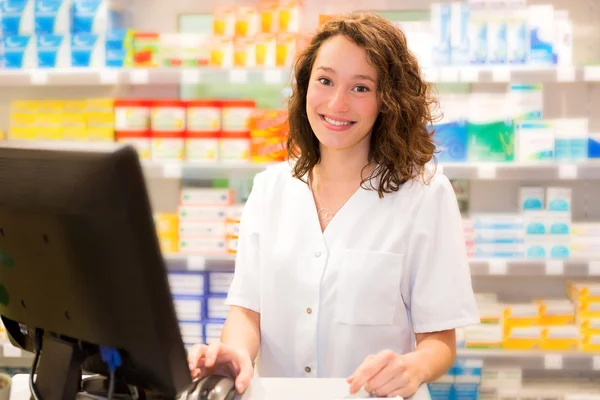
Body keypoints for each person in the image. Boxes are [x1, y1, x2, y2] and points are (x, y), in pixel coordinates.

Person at [188, 12, 479, 398]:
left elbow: (440, 339)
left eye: (360, 88)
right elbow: (247, 311)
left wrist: (413, 367)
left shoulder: (425, 195)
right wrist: (237, 353)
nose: (337, 103)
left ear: (387, 100)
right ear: (306, 86)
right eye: (325, 81)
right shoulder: (270, 190)